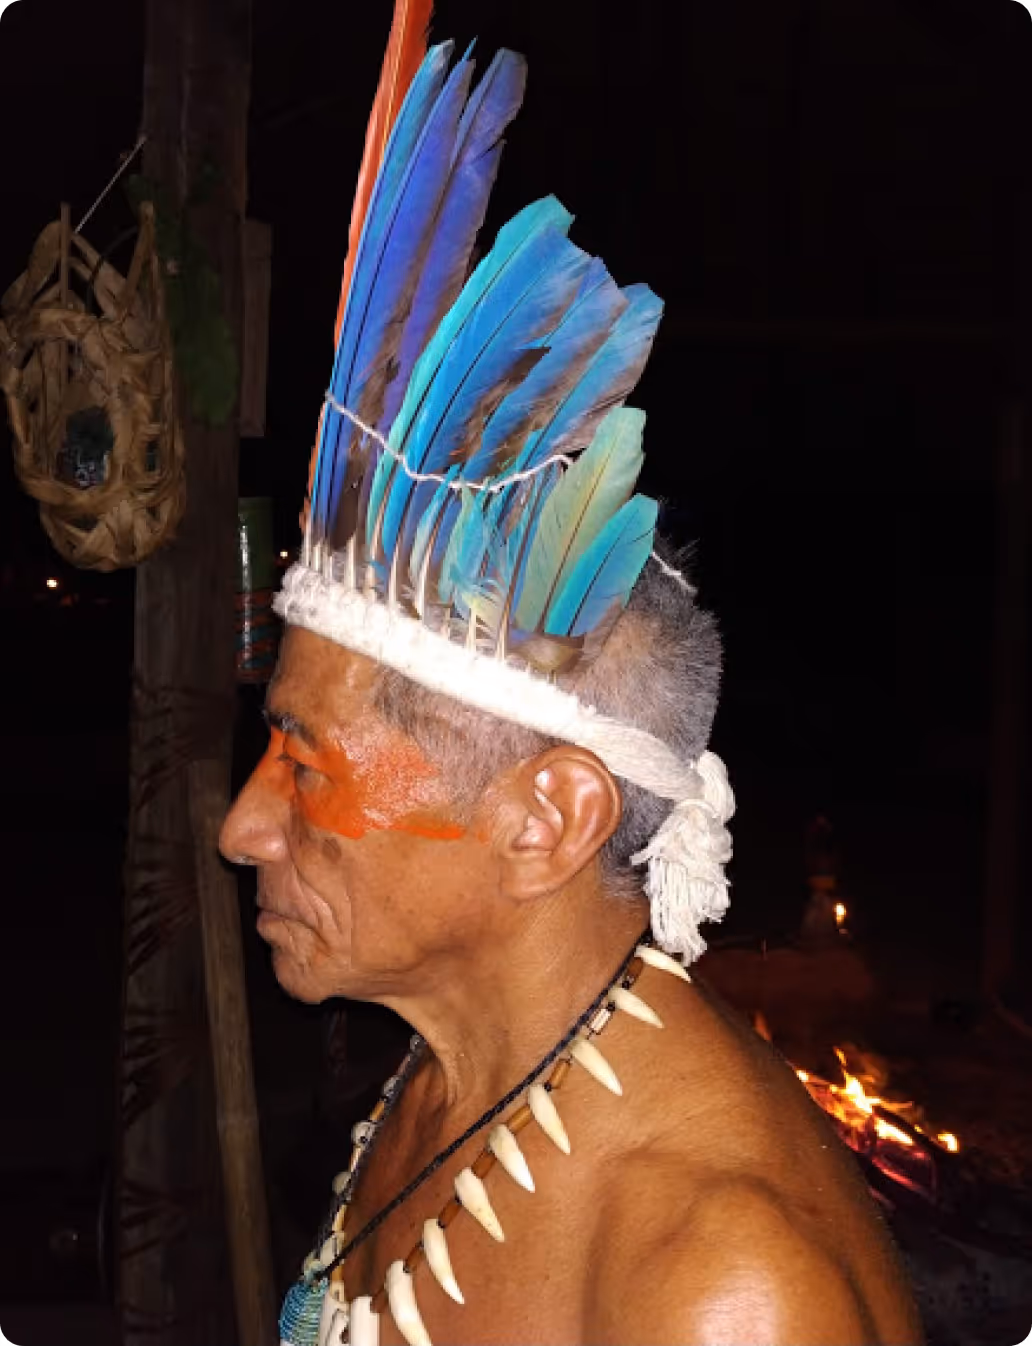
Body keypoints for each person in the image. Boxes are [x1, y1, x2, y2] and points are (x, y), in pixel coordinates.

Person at [219, 6, 923, 1343]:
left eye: (305, 760)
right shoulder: (453, 1074)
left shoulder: (714, 1290)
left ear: (545, 817)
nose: (242, 823)